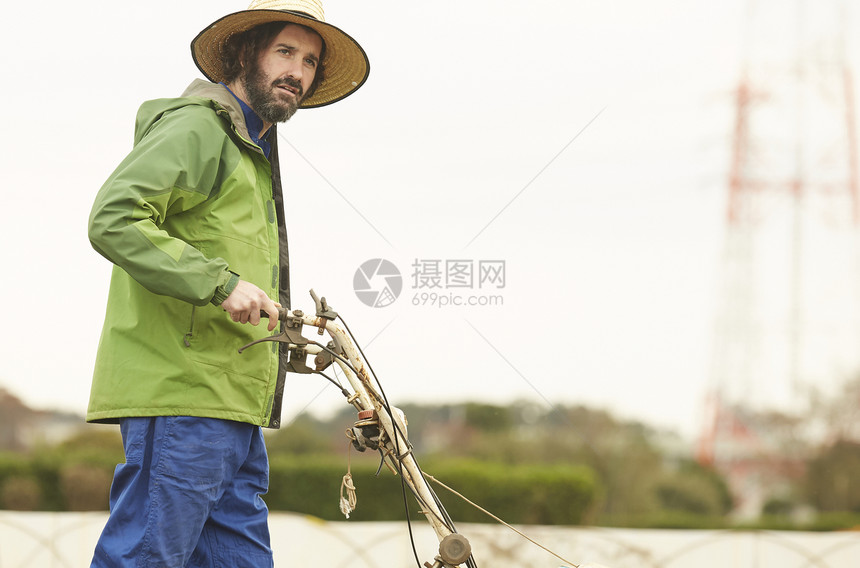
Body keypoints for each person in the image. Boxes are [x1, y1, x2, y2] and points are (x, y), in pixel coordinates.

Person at [85, 1, 369, 566]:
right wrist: (220, 284)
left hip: (234, 406)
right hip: (184, 395)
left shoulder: (253, 149)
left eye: (310, 61)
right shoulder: (198, 127)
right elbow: (113, 219)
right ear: (245, 53)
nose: (298, 71)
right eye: (284, 52)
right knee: (145, 557)